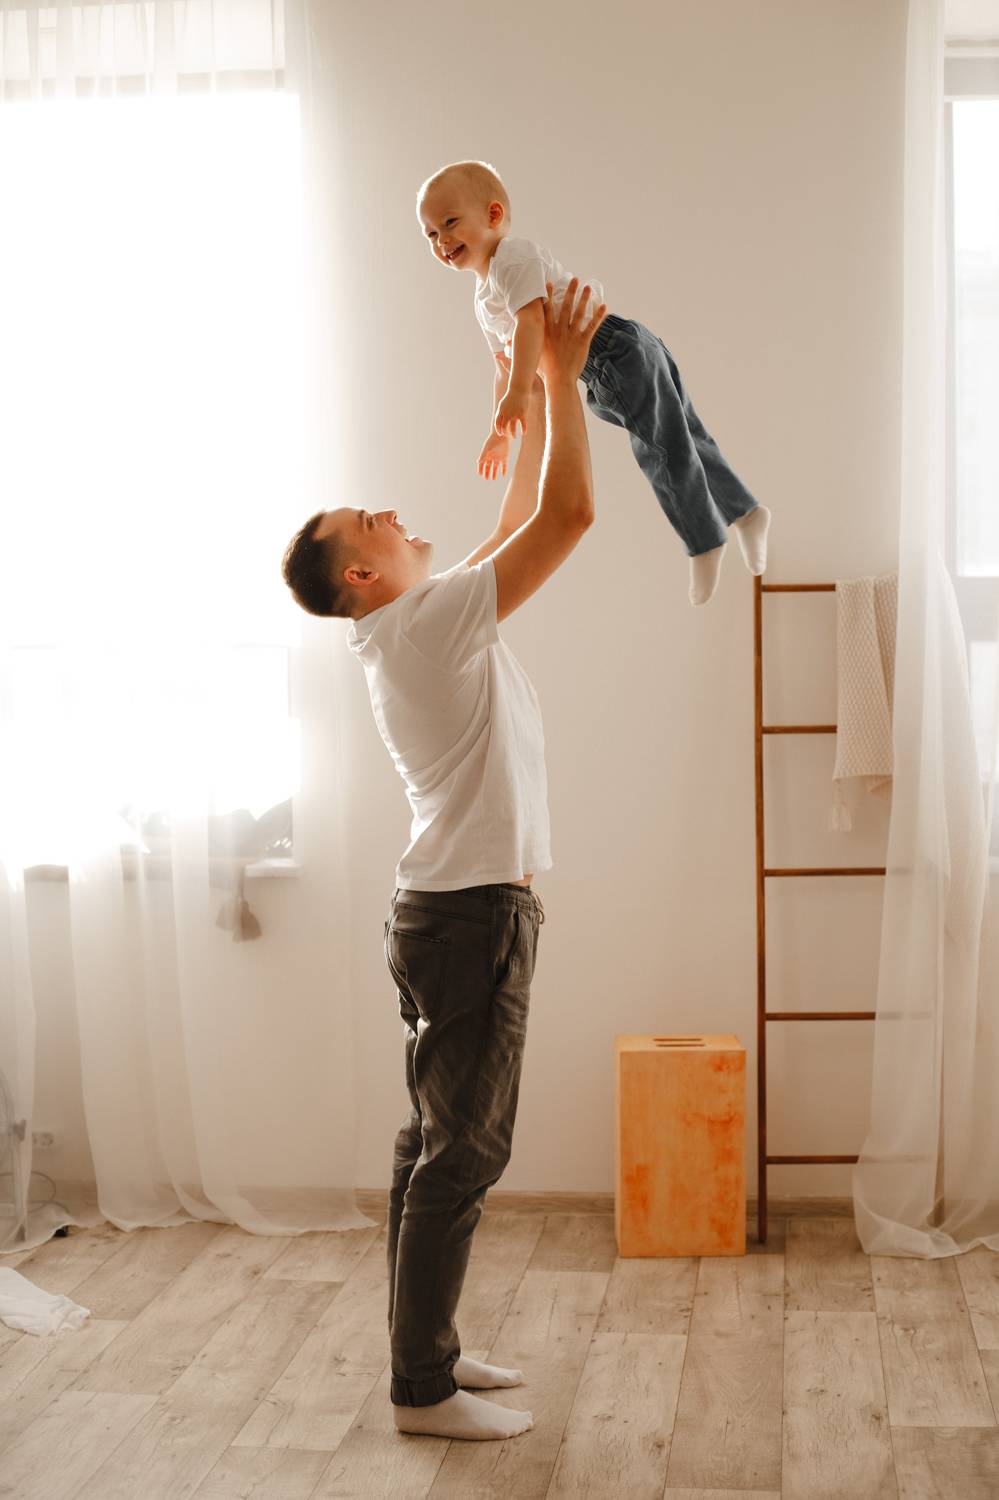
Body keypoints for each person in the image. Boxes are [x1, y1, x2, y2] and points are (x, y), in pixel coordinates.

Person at [280, 280, 606, 1442]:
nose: (388, 513)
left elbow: (514, 528)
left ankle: (431, 1354)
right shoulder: (423, 627)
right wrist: (561, 374)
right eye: (366, 522)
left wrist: (523, 402)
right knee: (462, 1155)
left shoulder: (416, 627)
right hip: (468, 919)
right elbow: (568, 519)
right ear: (360, 577)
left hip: (449, 913)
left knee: (434, 1148)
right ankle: (421, 1389)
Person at [417, 157, 771, 606]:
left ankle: (704, 541)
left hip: (612, 354)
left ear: (493, 215)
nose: (442, 240)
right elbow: (504, 366)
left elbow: (531, 324)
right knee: (686, 436)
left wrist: (518, 392)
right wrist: (499, 431)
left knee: (662, 450)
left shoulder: (513, 258)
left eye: (449, 223)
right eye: (431, 234)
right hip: (618, 353)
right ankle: (746, 512)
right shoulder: (483, 297)